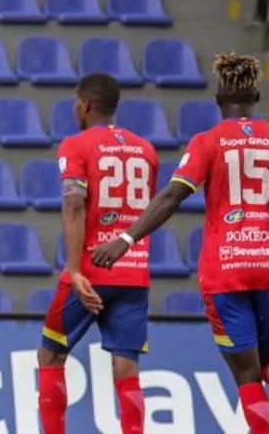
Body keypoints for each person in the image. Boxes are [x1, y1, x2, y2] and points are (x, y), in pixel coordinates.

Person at [94, 52, 269, 433]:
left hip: (227, 271)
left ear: (218, 99)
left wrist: (125, 238)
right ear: (257, 97)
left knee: (249, 375)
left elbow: (172, 196)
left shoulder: (209, 141)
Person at [36, 74, 157, 434]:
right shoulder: (146, 150)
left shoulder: (76, 145)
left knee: (50, 354)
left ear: (86, 105)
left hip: (90, 271)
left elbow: (74, 205)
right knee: (127, 368)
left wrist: (74, 270)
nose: (76, 108)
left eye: (77, 102)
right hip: (133, 272)